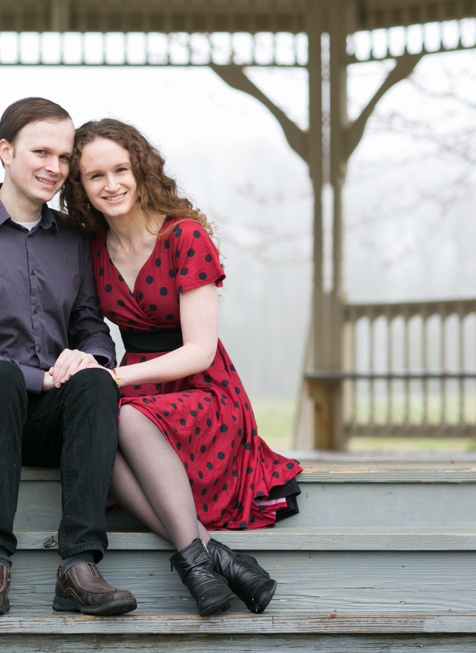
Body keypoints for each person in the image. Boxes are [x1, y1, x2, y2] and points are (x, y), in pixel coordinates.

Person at [60, 118, 303, 616]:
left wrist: (115, 378)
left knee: (122, 416)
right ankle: (210, 558)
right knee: (94, 432)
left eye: (121, 169)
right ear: (81, 187)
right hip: (138, 388)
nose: (112, 185)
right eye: (95, 176)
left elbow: (200, 351)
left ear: (141, 169)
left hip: (204, 390)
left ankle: (198, 560)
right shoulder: (92, 248)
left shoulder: (185, 237)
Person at [0, 98, 137, 617]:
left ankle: (79, 567)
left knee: (98, 381)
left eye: (64, 158)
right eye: (42, 152)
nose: (55, 168)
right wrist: (35, 378)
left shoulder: (73, 239)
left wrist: (92, 359)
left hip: (44, 419)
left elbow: (90, 324)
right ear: (5, 151)